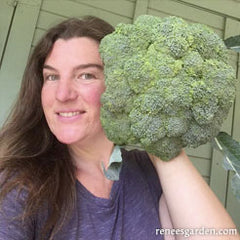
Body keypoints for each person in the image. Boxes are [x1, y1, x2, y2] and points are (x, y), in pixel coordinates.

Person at [0, 16, 239, 240]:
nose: (62, 95)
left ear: (121, 84)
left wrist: (161, 131)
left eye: (85, 75)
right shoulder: (18, 186)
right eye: (51, 77)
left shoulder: (150, 170)